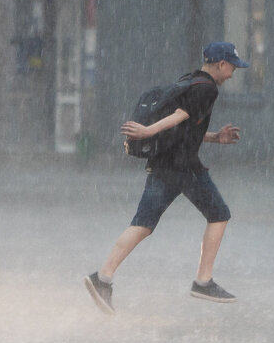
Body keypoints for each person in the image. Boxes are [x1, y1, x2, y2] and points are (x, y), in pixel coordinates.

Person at [84, 41, 248, 314]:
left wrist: (214, 138)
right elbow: (178, 116)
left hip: (164, 162)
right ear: (221, 64)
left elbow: (183, 127)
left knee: (143, 224)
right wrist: (148, 131)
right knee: (219, 214)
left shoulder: (189, 80)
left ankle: (102, 278)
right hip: (183, 166)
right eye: (232, 68)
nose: (232, 74)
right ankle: (203, 281)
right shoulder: (207, 89)